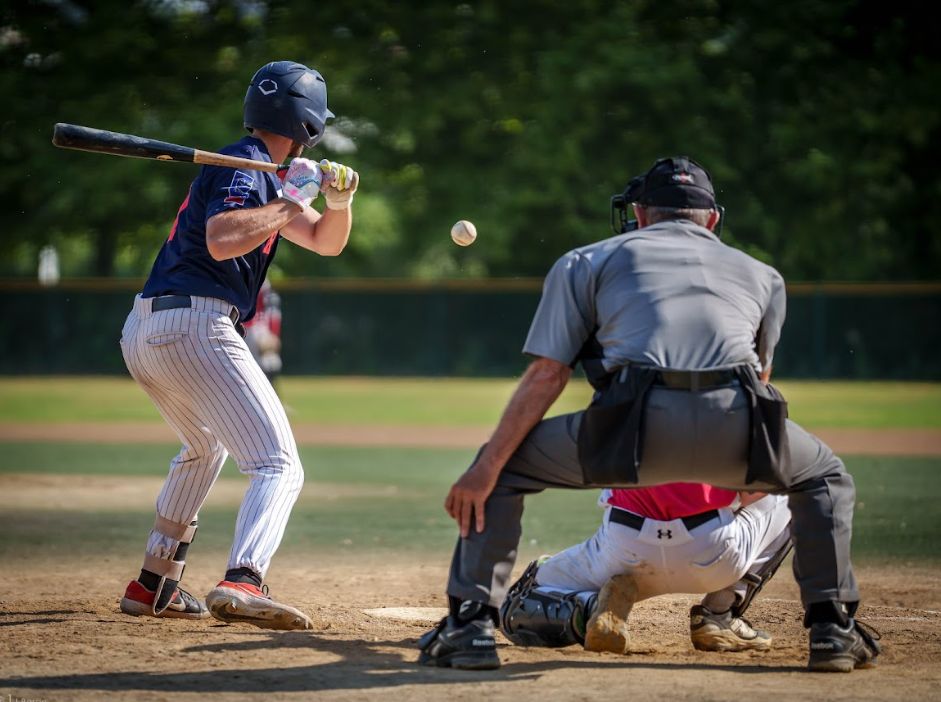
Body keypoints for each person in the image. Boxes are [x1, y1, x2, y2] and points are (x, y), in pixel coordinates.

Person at [417, 157, 879, 672]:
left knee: (503, 470)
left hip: (629, 431)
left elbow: (549, 375)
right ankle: (831, 632)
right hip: (735, 425)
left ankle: (469, 629)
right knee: (824, 476)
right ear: (711, 220)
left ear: (639, 214)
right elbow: (760, 381)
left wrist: (487, 463)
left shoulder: (584, 261)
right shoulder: (763, 275)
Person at [118, 60, 359, 630]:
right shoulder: (249, 166)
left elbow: (325, 242)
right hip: (195, 326)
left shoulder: (256, 171)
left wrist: (336, 203)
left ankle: (153, 582)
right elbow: (225, 241)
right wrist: (291, 198)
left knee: (204, 448)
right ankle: (242, 580)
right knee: (279, 464)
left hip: (147, 329)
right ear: (309, 124)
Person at [498, 484, 792, 654]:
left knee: (518, 603)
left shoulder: (623, 395)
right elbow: (754, 491)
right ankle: (718, 614)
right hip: (712, 554)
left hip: (622, 552)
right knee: (789, 490)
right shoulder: (735, 408)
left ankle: (590, 610)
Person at [244, 278, 283, 389]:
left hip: (256, 327)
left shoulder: (263, 281)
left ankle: (270, 396)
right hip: (241, 327)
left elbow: (272, 310)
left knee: (271, 362)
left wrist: (273, 333)